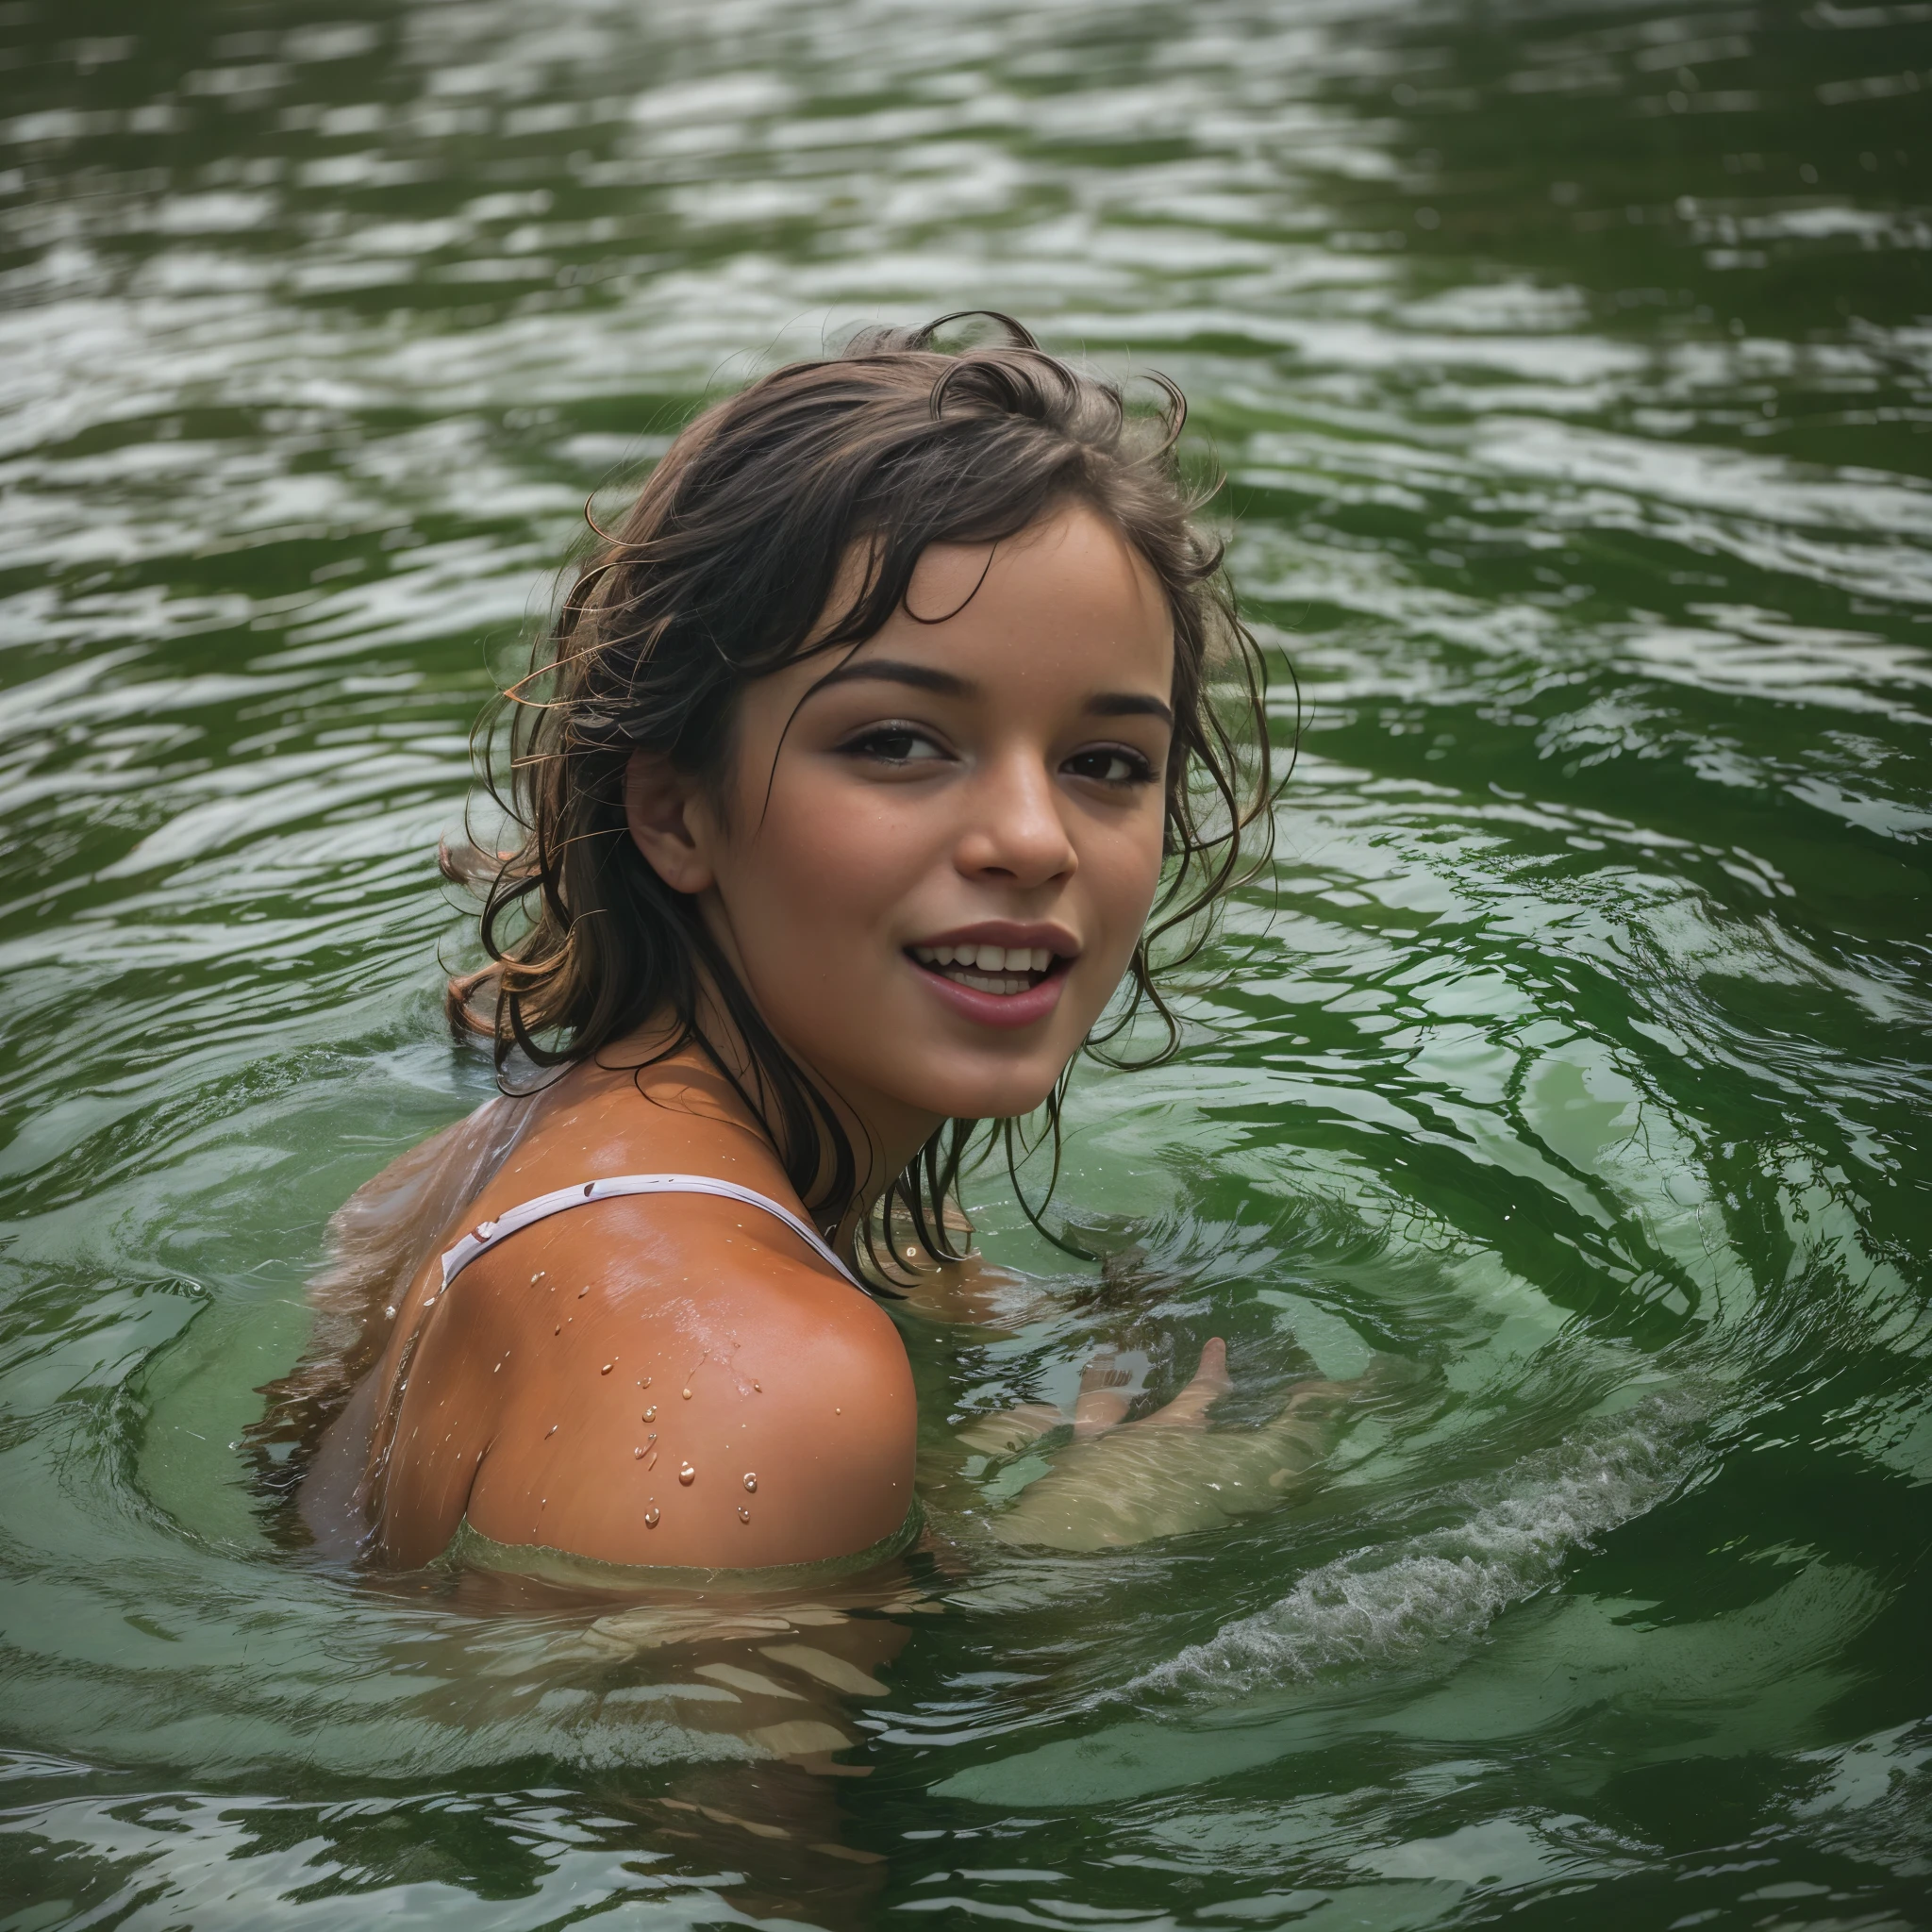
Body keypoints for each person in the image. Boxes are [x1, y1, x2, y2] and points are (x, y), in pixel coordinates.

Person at [261, 312, 1292, 1576]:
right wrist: (1073, 1562)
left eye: (1104, 763)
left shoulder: (484, 1160)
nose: (1034, 840)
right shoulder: (768, 1377)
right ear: (676, 811)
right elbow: (635, 1775)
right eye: (896, 742)